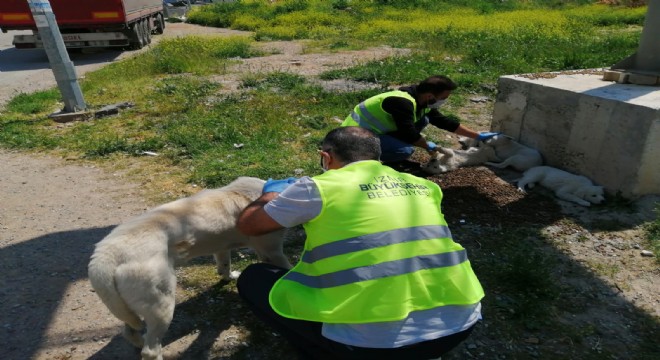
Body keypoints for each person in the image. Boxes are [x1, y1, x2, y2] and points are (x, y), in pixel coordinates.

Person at [236, 126, 484, 360]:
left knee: (254, 278)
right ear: (377, 157)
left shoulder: (319, 188)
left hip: (371, 346)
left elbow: (249, 225)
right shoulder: (425, 186)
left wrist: (272, 193)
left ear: (326, 157)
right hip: (458, 328)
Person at [341, 74, 499, 164]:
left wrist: (477, 136)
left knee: (423, 120)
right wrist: (428, 146)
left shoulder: (421, 101)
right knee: (403, 150)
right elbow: (410, 134)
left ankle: (384, 148)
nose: (444, 100)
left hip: (374, 132)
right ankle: (363, 160)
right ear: (430, 95)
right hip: (353, 138)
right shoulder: (401, 102)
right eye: (443, 97)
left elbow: (443, 122)